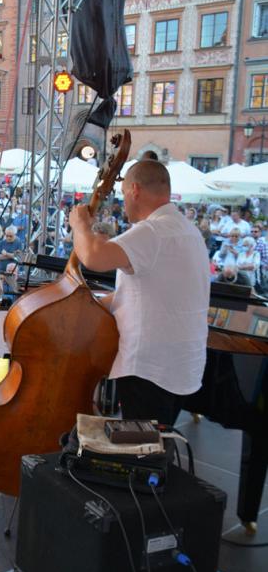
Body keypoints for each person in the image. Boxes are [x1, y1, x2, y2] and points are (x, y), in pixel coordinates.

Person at [69, 160, 209, 426]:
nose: (124, 202)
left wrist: (80, 225)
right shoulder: (188, 231)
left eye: (122, 194)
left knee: (140, 454)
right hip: (179, 366)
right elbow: (140, 295)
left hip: (151, 368)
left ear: (134, 190)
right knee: (155, 445)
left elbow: (94, 257)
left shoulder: (153, 231)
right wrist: (87, 306)